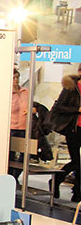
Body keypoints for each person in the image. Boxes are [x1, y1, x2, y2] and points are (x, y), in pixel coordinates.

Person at [47, 72, 81, 201]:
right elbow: (58, 107)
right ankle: (57, 180)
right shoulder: (71, 87)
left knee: (79, 163)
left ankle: (77, 193)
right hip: (73, 129)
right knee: (76, 161)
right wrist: (77, 109)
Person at [9, 68, 30, 180]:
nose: (16, 80)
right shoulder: (7, 93)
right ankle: (10, 177)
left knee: (25, 154)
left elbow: (31, 104)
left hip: (24, 127)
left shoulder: (25, 92)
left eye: (17, 77)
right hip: (11, 127)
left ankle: (15, 176)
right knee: (10, 155)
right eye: (13, 78)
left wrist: (33, 110)